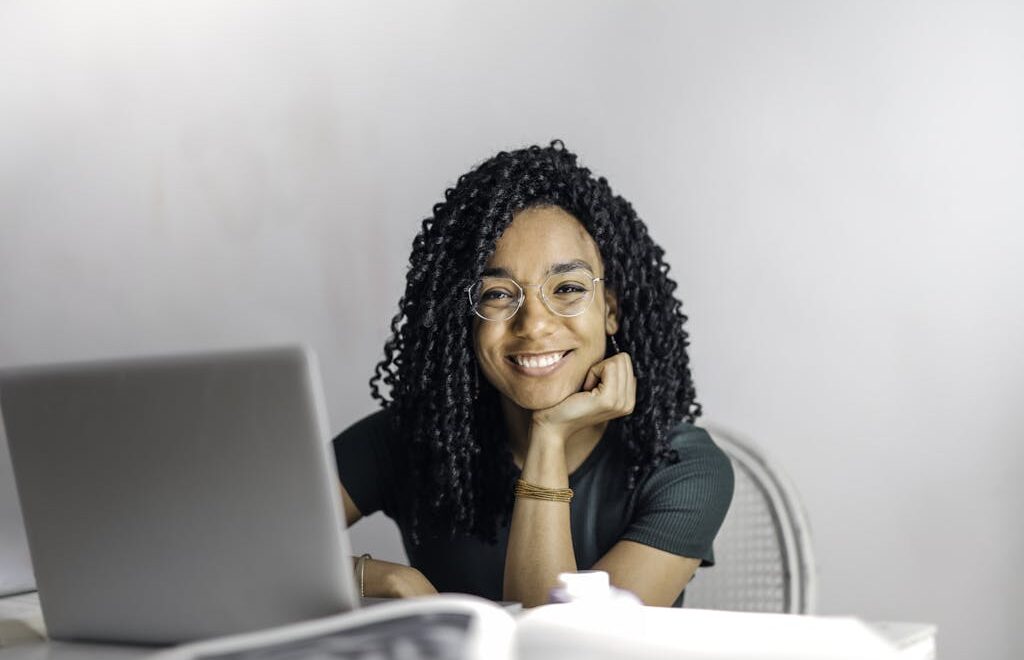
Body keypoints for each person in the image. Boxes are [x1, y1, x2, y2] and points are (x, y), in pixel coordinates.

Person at [333, 140, 734, 608]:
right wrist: (387, 579)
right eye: (498, 295)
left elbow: (562, 648)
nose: (535, 324)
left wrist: (549, 435)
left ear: (611, 310)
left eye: (566, 288)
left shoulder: (681, 468)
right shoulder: (411, 438)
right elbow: (236, 549)